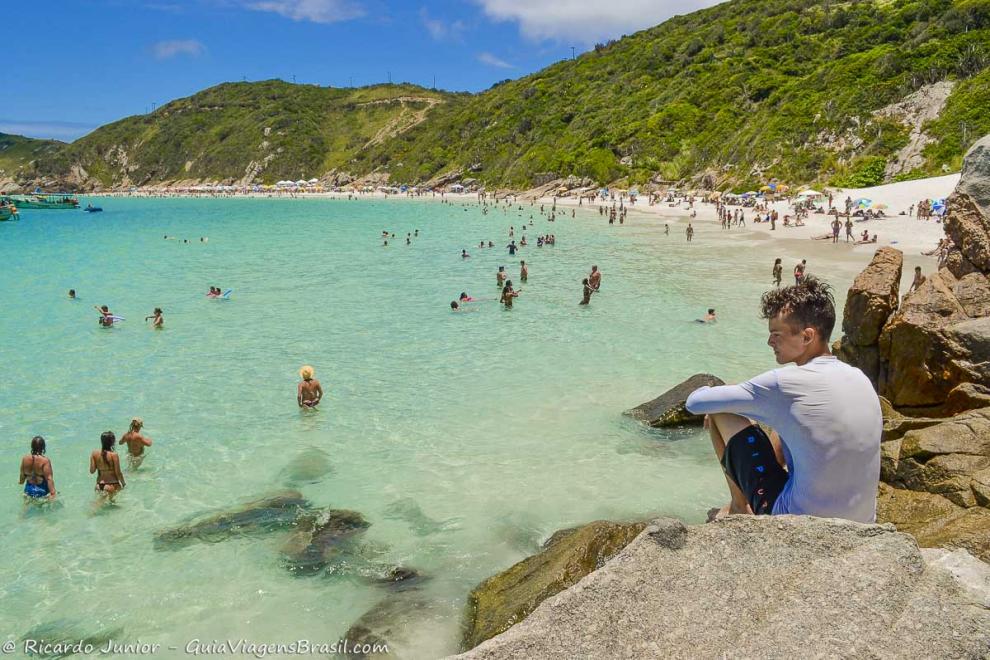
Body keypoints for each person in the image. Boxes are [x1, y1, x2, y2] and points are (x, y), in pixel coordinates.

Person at [685, 278, 882, 523]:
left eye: (776, 335)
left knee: (719, 411)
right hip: (862, 523)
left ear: (807, 336)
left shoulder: (785, 382)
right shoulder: (860, 378)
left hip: (799, 522)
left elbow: (694, 403)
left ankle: (738, 506)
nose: (770, 342)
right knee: (786, 417)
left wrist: (730, 391)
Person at [90, 431, 125, 500]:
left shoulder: (94, 454)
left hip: (98, 485)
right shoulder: (114, 455)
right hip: (112, 485)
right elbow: (118, 473)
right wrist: (123, 483)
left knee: (100, 505)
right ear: (112, 442)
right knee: (112, 508)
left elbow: (92, 471)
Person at [19, 436, 56, 500]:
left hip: (29, 489)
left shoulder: (25, 459)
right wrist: (53, 493)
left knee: (26, 507)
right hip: (42, 490)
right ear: (43, 447)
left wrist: (21, 481)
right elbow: (49, 479)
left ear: (32, 446)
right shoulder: (45, 461)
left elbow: (22, 474)